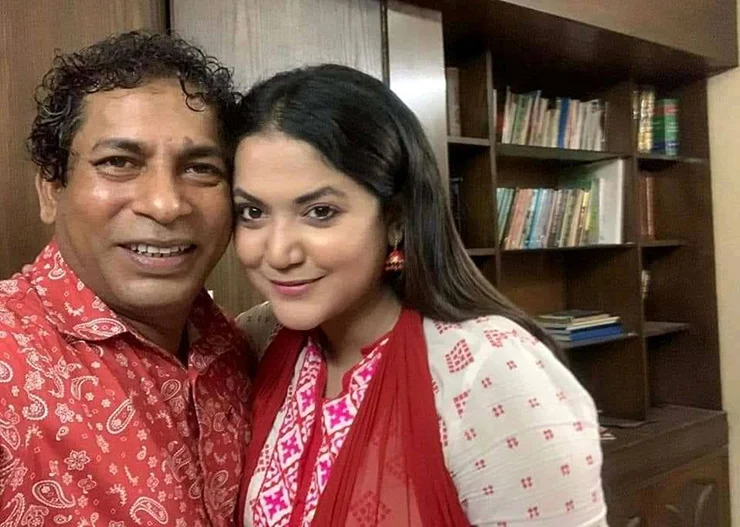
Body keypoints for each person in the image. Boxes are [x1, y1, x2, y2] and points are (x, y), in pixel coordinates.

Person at [232, 64, 608, 526]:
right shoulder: (257, 337)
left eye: (320, 211)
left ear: (395, 219)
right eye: (252, 212)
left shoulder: (488, 371)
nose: (277, 252)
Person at [0, 31, 250, 526]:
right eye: (118, 163)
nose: (165, 204)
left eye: (200, 168)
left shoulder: (238, 350)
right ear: (51, 190)